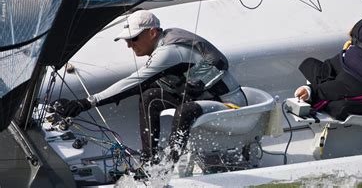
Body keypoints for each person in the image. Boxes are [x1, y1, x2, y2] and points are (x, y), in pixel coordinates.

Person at [54, 9, 247, 167]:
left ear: (152, 32)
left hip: (230, 106)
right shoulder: (164, 41)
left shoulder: (168, 52)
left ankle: (168, 168)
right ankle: (150, 163)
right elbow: (143, 84)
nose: (129, 45)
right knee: (151, 97)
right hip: (205, 101)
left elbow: (134, 81)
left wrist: (87, 102)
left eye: (134, 38)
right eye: (127, 40)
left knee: (184, 110)